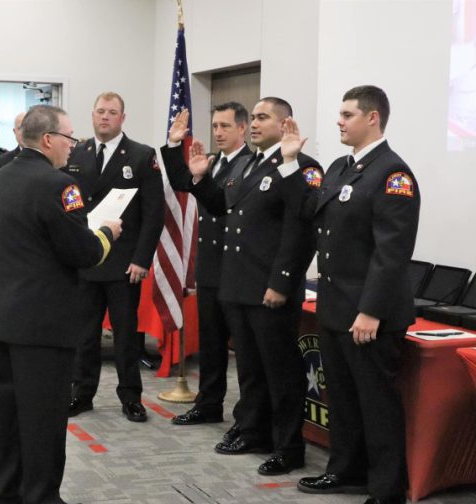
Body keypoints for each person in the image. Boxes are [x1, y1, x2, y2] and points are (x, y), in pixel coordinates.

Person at [0, 104, 122, 504]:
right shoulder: (58, 185)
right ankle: (41, 496)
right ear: (48, 140)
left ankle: (3, 492)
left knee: (7, 415)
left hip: (5, 317)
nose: (72, 147)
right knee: (43, 419)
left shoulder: (1, 177)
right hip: (44, 324)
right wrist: (107, 232)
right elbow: (84, 253)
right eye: (69, 138)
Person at [288, 86, 419, 504]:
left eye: (347, 115)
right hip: (335, 307)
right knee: (341, 398)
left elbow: (392, 252)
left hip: (368, 313)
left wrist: (370, 311)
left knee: (376, 404)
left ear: (373, 118)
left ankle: (386, 489)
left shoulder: (393, 174)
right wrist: (291, 162)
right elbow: (310, 211)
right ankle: (346, 469)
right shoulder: (342, 168)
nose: (339, 121)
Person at [186, 97, 322, 476]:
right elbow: (224, 208)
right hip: (239, 283)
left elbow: (301, 229)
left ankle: (288, 447)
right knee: (249, 369)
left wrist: (282, 282)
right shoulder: (250, 164)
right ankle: (254, 431)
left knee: (279, 372)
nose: (256, 123)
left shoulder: (301, 167)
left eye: (263, 117)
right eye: (255, 117)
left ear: (285, 124)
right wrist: (200, 179)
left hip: (269, 288)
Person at [65, 92, 164, 423]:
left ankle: (131, 397)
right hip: (86, 259)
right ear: (92, 116)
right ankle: (82, 393)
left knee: (125, 335)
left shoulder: (141, 155)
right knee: (85, 333)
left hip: (124, 263)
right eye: (100, 112)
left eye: (112, 112)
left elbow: (153, 214)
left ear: (123, 118)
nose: (105, 117)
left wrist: (142, 259)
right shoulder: (76, 153)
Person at [161, 102, 252, 426]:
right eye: (215, 126)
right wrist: (173, 145)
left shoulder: (250, 164)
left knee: (243, 353)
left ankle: (247, 417)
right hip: (212, 268)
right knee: (212, 344)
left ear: (243, 128)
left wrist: (202, 177)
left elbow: (223, 205)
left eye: (225, 126)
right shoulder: (214, 163)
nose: (218, 132)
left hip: (238, 270)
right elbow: (183, 181)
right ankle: (208, 404)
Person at [0, 112, 25, 189]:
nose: (24, 132)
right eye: (20, 128)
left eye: (27, 128)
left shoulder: (47, 158)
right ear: (14, 132)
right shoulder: (0, 162)